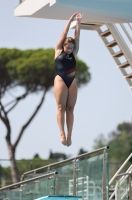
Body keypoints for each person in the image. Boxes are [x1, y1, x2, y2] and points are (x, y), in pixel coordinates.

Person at [54, 12, 83, 147]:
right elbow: (64, 34)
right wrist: (70, 19)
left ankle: (69, 135)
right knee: (61, 107)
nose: (70, 49)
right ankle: (62, 133)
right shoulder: (59, 51)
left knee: (70, 109)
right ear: (64, 46)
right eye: (68, 47)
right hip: (60, 79)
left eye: (72, 47)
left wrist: (78, 22)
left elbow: (77, 37)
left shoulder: (74, 52)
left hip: (72, 81)